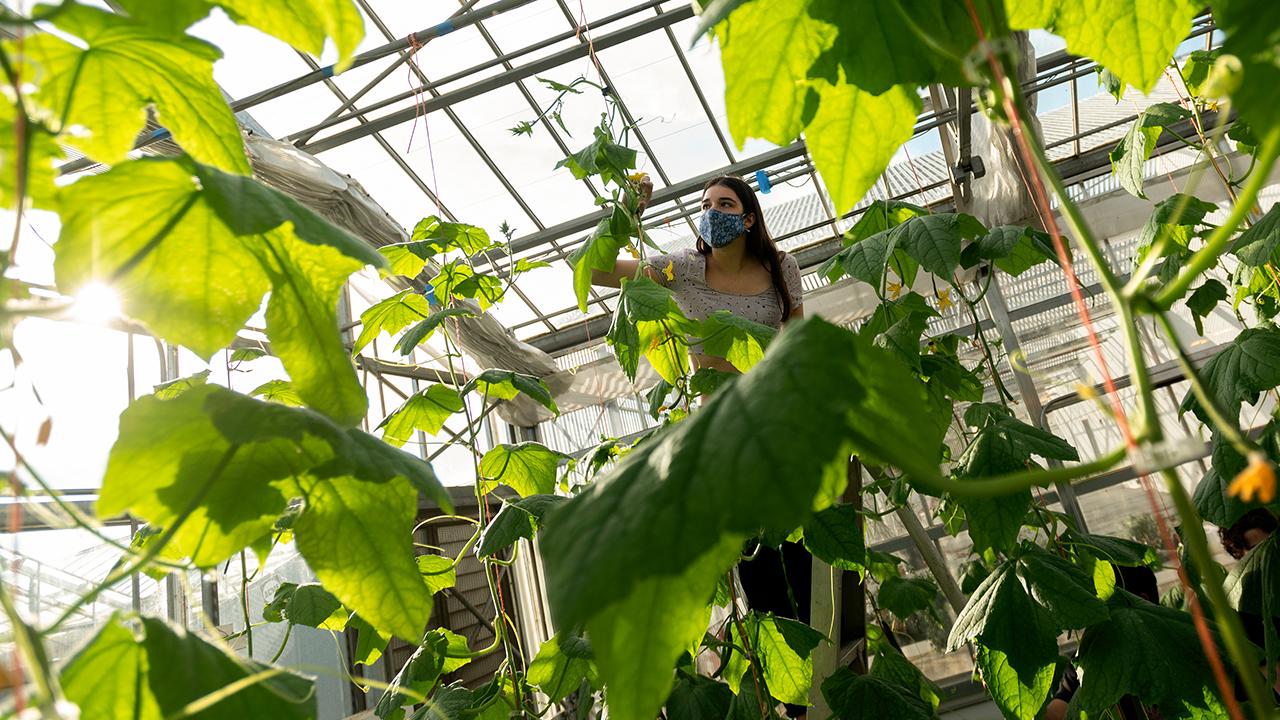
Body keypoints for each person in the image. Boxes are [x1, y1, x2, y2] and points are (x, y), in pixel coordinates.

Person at [592, 173, 809, 717]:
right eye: (706, 204)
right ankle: (792, 702)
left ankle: (817, 674)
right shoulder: (681, 270)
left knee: (803, 560)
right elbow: (596, 270)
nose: (713, 211)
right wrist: (625, 212)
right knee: (758, 573)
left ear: (749, 218)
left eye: (726, 204)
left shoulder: (781, 269)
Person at [1043, 565, 1161, 720]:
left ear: (1141, 601)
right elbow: (1057, 711)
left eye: (1105, 606)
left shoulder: (1176, 648)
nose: (1098, 618)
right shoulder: (1087, 658)